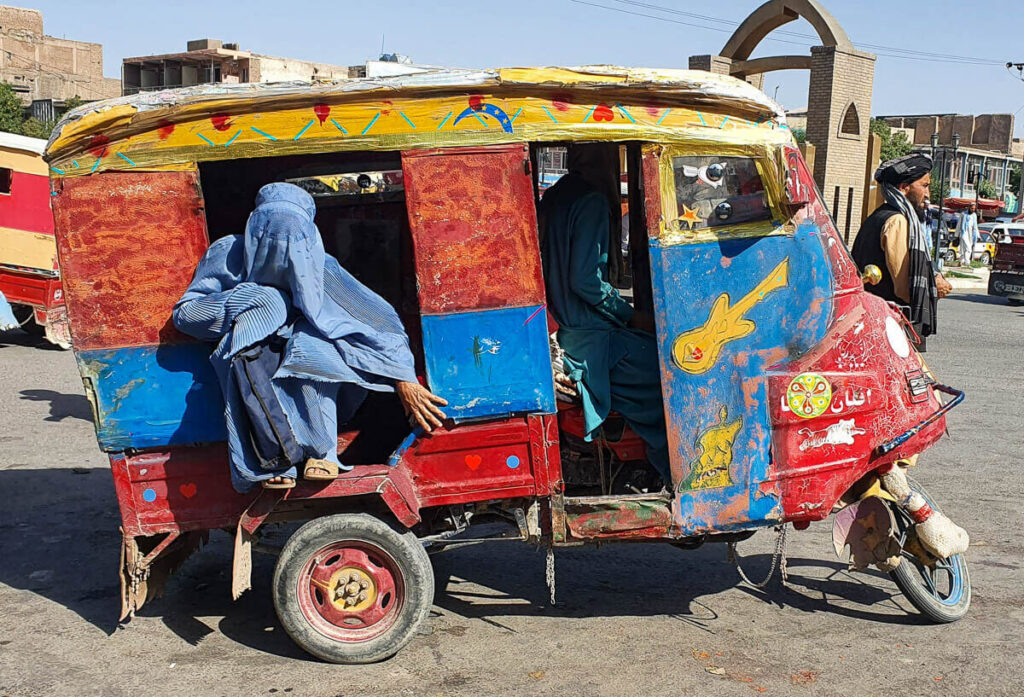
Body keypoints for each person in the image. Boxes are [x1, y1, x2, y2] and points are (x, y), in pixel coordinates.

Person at [174, 183, 446, 491]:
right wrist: (255, 300)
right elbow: (187, 314)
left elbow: (377, 321)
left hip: (308, 366)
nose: (281, 244)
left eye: (293, 237)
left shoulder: (323, 268)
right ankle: (270, 457)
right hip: (247, 354)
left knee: (312, 347)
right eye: (269, 232)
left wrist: (403, 380)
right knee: (246, 348)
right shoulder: (227, 255)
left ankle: (321, 451)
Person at [539, 143, 670, 485]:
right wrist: (629, 315)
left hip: (569, 328)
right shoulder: (592, 200)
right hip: (591, 339)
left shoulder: (554, 196)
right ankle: (670, 474)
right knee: (671, 378)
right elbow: (586, 282)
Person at [852, 153, 952, 351]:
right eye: (924, 186)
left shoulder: (879, 216)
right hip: (889, 329)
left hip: (873, 323)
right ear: (904, 188)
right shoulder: (896, 221)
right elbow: (904, 287)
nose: (928, 194)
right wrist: (935, 285)